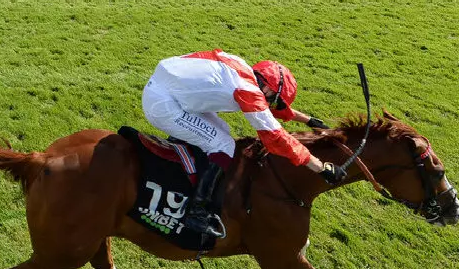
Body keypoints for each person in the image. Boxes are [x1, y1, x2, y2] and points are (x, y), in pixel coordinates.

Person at [142, 51, 343, 239]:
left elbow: (266, 106)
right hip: (164, 104)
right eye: (274, 99)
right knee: (224, 145)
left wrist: (308, 120)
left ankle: (183, 152)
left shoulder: (243, 68)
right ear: (266, 88)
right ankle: (196, 213)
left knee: (222, 130)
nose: (272, 104)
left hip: (168, 88)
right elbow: (276, 138)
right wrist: (320, 167)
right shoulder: (248, 91)